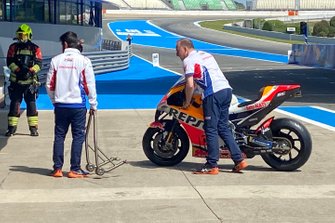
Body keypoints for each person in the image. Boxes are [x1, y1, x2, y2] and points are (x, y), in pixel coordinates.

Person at [175, 38, 248, 175]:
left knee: (210, 129)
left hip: (213, 94)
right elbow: (203, 76)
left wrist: (187, 102)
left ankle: (211, 165)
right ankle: (239, 160)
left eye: (177, 50)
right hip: (226, 90)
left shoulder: (188, 60)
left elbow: (190, 84)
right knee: (223, 127)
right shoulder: (205, 54)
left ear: (185, 49)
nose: (176, 54)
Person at [46, 31, 98, 178]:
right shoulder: (84, 61)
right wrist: (93, 104)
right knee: (78, 137)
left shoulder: (56, 60)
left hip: (61, 105)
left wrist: (54, 101)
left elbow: (49, 85)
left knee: (59, 136)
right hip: (78, 106)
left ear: (65, 44)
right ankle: (74, 169)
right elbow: (89, 85)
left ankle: (57, 169)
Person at [5, 24, 42, 137]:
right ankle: (11, 129)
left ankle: (33, 129)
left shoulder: (35, 48)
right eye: (19, 35)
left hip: (30, 82)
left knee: (31, 105)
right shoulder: (13, 47)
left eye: (23, 35)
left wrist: (30, 71)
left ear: (29, 35)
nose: (21, 38)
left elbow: (39, 63)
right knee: (14, 105)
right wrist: (18, 70)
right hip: (16, 82)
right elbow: (9, 61)